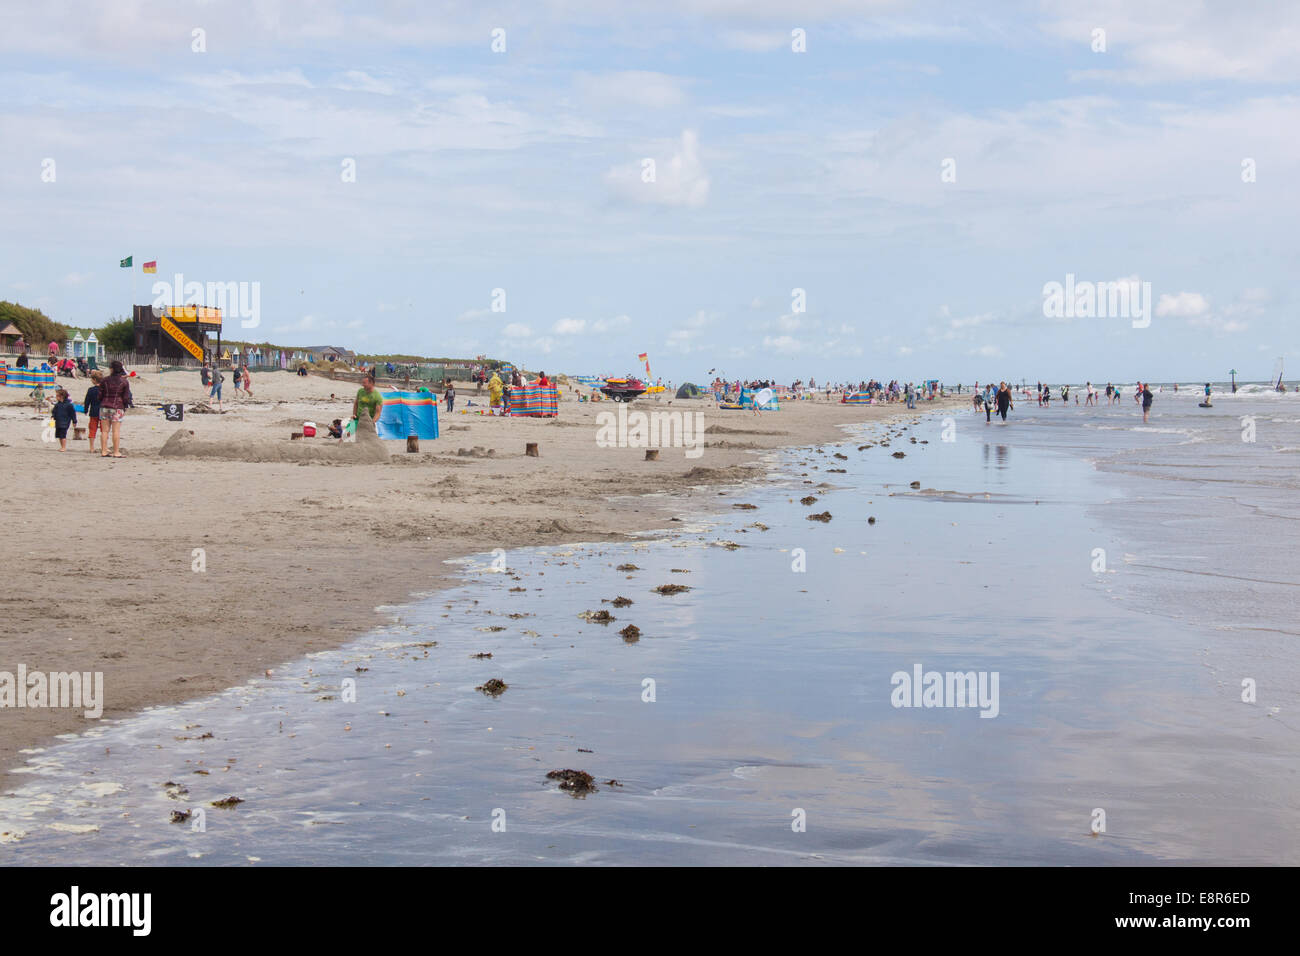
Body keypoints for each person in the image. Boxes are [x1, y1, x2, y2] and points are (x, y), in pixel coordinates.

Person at [98, 359, 132, 457]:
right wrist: (125, 406)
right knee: (116, 431)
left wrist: (101, 401)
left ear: (111, 369)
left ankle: (104, 451)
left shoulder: (104, 380)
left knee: (104, 430)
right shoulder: (124, 382)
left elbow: (100, 395)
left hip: (105, 405)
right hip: (118, 406)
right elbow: (126, 397)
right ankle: (116, 452)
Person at [83, 371, 103, 453]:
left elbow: (87, 401)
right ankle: (103, 447)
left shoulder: (91, 390)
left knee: (92, 429)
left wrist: (85, 410)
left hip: (93, 411)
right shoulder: (104, 389)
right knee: (104, 430)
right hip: (103, 411)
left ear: (94, 380)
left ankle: (91, 447)